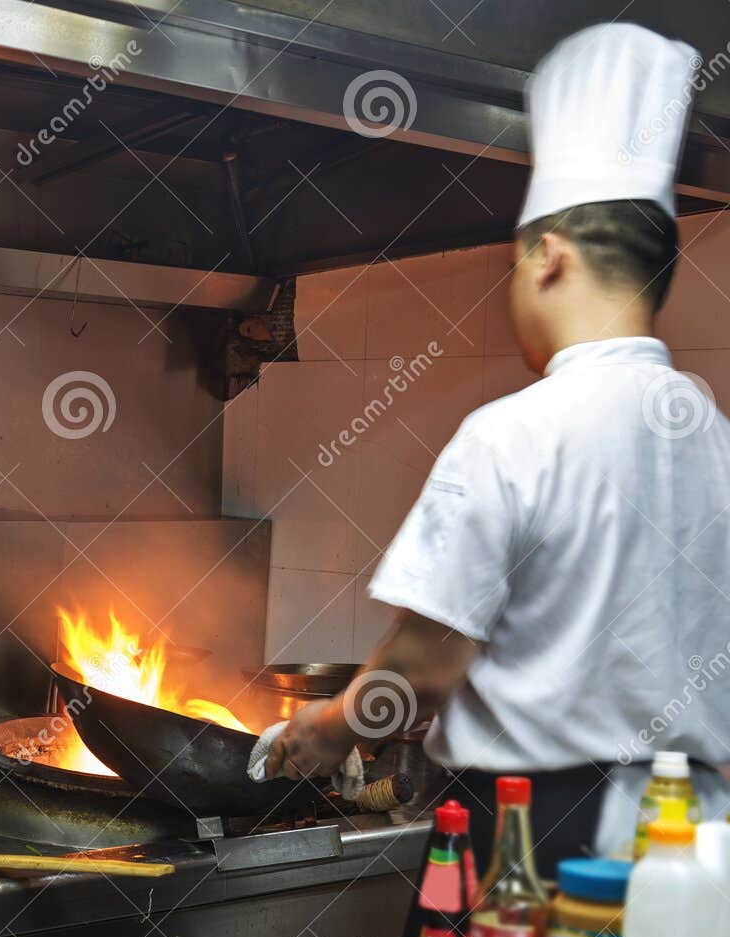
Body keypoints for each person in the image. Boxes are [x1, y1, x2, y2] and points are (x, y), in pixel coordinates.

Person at [264, 22, 730, 873]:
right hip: (696, 852)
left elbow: (422, 672)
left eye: (513, 268)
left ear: (548, 257)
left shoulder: (515, 433)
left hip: (535, 840)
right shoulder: (715, 441)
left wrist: (323, 730)